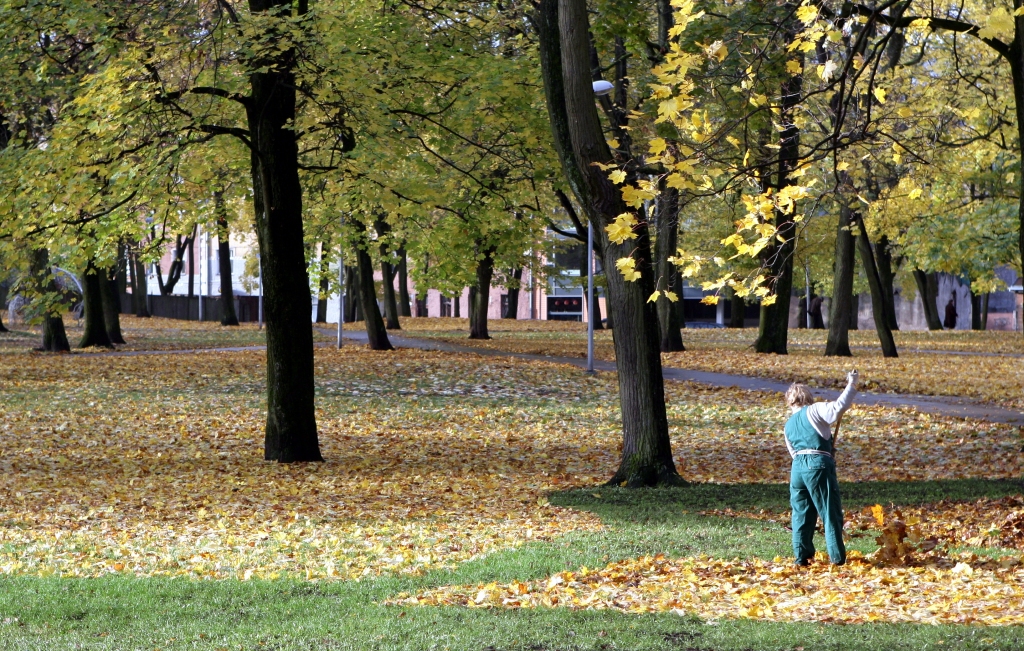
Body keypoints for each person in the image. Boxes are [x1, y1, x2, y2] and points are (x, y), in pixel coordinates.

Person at [783, 370, 859, 566]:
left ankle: (802, 558)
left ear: (790, 402)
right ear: (808, 398)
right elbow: (838, 408)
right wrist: (851, 385)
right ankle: (837, 558)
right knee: (829, 511)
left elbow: (794, 452)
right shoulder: (815, 410)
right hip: (817, 465)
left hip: (797, 469)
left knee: (801, 514)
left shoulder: (788, 425)